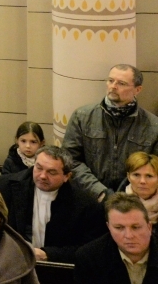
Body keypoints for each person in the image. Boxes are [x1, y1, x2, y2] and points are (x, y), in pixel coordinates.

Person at [63, 64, 158, 200]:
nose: (113, 86)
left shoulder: (153, 126)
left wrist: (126, 196)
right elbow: (70, 160)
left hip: (134, 201)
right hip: (89, 198)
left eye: (121, 83)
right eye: (110, 80)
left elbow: (154, 169)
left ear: (137, 90)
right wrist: (101, 193)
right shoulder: (82, 116)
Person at [0, 145, 101, 264]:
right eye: (38, 168)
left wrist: (48, 254)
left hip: (57, 270)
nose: (43, 176)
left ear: (67, 176)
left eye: (52, 172)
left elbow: (88, 249)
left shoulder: (85, 204)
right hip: (11, 264)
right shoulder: (5, 187)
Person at [72, 193, 158, 284]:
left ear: (149, 227)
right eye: (119, 228)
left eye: (136, 227)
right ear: (108, 228)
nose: (129, 235)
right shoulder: (90, 257)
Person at [123, 151, 158, 223]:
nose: (142, 181)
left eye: (149, 176)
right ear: (128, 177)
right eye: (136, 175)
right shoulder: (115, 206)